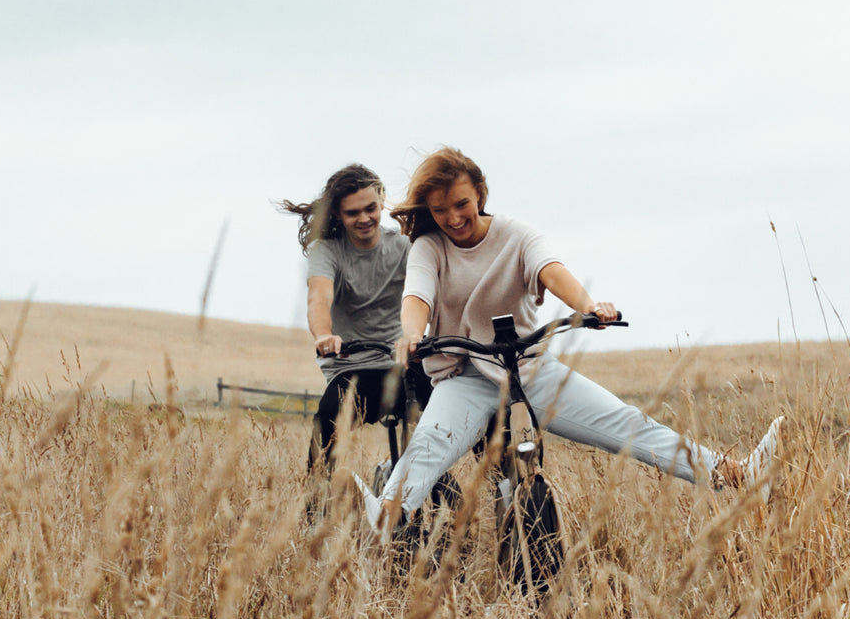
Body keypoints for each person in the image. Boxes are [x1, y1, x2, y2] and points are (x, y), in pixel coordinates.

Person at [356, 146, 783, 534]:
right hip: (463, 374)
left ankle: (741, 476)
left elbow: (550, 269)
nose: (453, 217)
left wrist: (589, 306)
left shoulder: (517, 235)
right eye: (440, 209)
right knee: (428, 447)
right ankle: (384, 522)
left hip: (528, 368)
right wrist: (412, 334)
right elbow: (417, 294)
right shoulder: (429, 247)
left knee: (630, 424)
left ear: (480, 194)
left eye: (461, 204)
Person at [277, 163, 431, 478]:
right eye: (352, 213)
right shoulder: (328, 251)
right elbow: (319, 297)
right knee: (327, 424)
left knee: (444, 418)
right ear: (338, 215)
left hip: (401, 361)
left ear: (382, 201)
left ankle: (448, 495)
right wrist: (324, 336)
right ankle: (314, 510)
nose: (364, 218)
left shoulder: (403, 245)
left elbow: (428, 289)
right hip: (352, 366)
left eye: (371, 208)